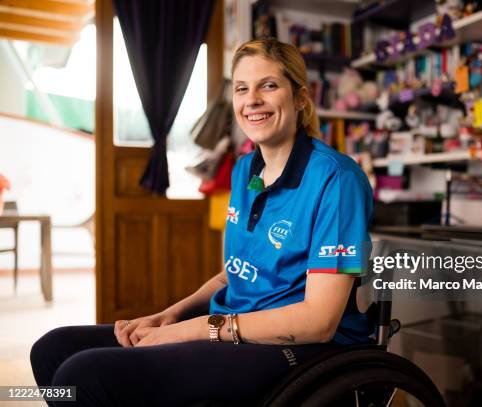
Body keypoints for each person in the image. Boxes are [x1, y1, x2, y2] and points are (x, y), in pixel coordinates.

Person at [30, 38, 374, 406]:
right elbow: (234, 274)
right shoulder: (246, 170)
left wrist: (195, 329)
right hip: (230, 328)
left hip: (299, 349)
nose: (252, 99)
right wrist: (171, 315)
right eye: (242, 88)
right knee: (53, 349)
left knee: (82, 376)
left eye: (268, 85)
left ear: (300, 98)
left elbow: (318, 321)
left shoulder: (336, 179)